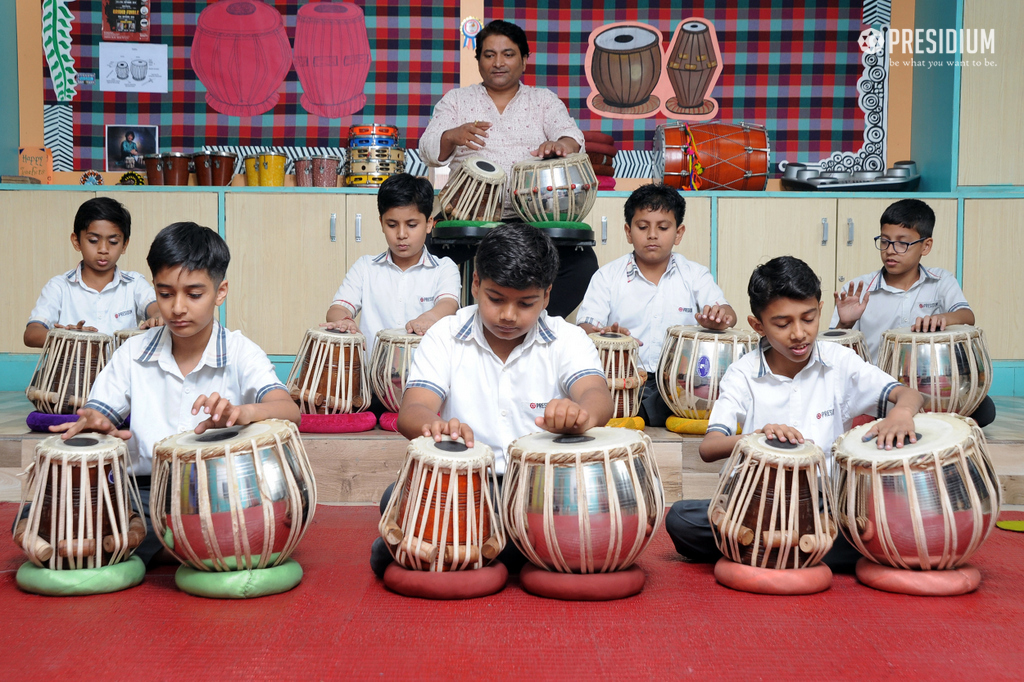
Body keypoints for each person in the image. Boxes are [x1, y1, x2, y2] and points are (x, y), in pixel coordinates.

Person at [369, 223, 613, 577]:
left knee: (589, 508)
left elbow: (597, 397)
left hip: (539, 489)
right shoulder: (445, 335)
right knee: (394, 496)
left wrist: (581, 414)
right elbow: (412, 411)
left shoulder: (568, 338)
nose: (508, 315)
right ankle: (517, 549)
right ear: (476, 284)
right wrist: (434, 424)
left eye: (526, 303)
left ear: (546, 296)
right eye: (495, 299)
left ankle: (453, 547)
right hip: (465, 485)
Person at [51, 222, 300, 565]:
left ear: (220, 291)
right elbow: (99, 415)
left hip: (221, 496)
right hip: (143, 493)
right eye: (165, 294)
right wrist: (95, 425)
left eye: (194, 294)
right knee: (61, 511)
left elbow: (288, 410)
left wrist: (243, 412)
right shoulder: (132, 352)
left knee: (250, 526)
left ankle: (156, 544)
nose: (177, 307)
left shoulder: (242, 352)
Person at [665, 256, 925, 572]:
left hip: (822, 506)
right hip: (753, 505)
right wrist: (757, 438)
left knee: (890, 521)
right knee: (680, 519)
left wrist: (901, 413)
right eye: (783, 323)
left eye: (809, 318)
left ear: (819, 309)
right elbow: (709, 448)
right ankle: (806, 551)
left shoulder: (839, 362)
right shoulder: (742, 373)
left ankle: (762, 550)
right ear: (757, 325)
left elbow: (908, 394)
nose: (799, 333)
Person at [418, 19, 595, 318]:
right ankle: (457, 331)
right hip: (466, 216)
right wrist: (452, 135)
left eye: (508, 54)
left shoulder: (543, 101)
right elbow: (429, 149)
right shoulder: (457, 100)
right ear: (478, 61)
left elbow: (571, 136)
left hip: (529, 220)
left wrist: (559, 145)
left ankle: (527, 325)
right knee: (421, 259)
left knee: (582, 266)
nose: (498, 62)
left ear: (524, 60)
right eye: (489, 55)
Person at [576, 184, 736, 426]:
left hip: (676, 381)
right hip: (623, 377)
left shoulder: (695, 275)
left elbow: (729, 314)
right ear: (629, 232)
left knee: (691, 393)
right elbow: (586, 327)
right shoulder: (607, 276)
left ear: (678, 233)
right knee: (596, 392)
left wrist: (719, 317)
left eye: (663, 227)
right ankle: (644, 412)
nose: (652, 235)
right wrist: (604, 334)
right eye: (642, 227)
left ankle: (643, 413)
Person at [830, 199, 996, 426]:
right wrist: (845, 325)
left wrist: (943, 318)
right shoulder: (858, 289)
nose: (890, 250)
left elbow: (967, 316)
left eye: (902, 243)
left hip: (930, 387)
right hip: (880, 388)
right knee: (845, 415)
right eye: (885, 241)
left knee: (985, 410)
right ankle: (911, 420)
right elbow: (832, 351)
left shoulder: (940, 281)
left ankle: (909, 418)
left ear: (925, 246)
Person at [324, 173, 460, 361]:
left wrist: (429, 318)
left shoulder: (444, 268)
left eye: (412, 225)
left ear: (429, 224)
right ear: (381, 223)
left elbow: (448, 304)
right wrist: (345, 321)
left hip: (425, 378)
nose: (401, 234)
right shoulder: (365, 267)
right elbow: (338, 308)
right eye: (392, 224)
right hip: (372, 377)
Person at [24, 197, 161, 348]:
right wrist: (68, 338)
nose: (103, 249)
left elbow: (155, 309)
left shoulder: (134, 284)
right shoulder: (59, 287)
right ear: (76, 241)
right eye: (93, 240)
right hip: (72, 372)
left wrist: (157, 316)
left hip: (122, 372)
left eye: (113, 242)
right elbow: (31, 334)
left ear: (124, 245)